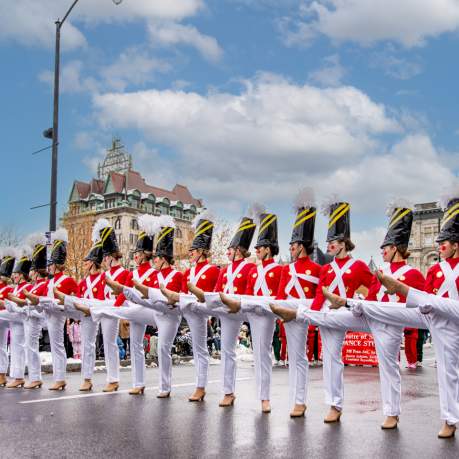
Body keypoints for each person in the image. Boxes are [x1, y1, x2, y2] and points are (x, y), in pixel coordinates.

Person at [271, 198, 373, 422]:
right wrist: (314, 317)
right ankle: (334, 405)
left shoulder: (358, 266)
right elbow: (319, 296)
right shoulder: (326, 268)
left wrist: (359, 304)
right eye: (328, 243)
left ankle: (339, 404)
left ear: (344, 243)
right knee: (330, 358)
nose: (328, 247)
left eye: (333, 242)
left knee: (336, 358)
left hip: (346, 314)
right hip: (326, 316)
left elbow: (373, 286)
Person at [74, 214, 158, 395]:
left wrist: (112, 308)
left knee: (110, 342)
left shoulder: (124, 274)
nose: (103, 260)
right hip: (104, 309)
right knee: (101, 343)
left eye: (105, 256)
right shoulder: (105, 275)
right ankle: (90, 378)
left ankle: (113, 379)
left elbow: (122, 296)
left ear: (112, 256)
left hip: (115, 310)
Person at [179, 216, 257, 407]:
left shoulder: (239, 268)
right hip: (219, 309)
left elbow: (245, 290)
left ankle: (239, 393)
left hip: (240, 307)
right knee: (224, 349)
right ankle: (221, 390)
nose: (189, 253)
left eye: (192, 251)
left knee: (237, 350)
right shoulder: (219, 271)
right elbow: (217, 290)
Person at [219, 209, 282, 414]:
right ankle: (228, 392)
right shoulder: (237, 269)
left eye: (260, 247)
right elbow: (245, 291)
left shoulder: (255, 268)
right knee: (226, 349)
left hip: (260, 312)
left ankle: (264, 398)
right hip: (236, 308)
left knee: (261, 353)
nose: (256, 250)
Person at [158, 211, 220, 402]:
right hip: (187, 309)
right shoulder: (187, 272)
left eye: (194, 249)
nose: (190, 252)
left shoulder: (213, 270)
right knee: (196, 348)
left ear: (202, 251)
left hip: (201, 312)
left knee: (200, 349)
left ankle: (200, 387)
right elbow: (184, 292)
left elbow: (213, 294)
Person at [130, 215, 184, 398]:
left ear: (165, 258)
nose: (155, 261)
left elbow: (180, 298)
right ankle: (138, 383)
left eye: (158, 257)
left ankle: (165, 386)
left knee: (162, 348)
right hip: (153, 311)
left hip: (170, 315)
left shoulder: (177, 275)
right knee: (134, 339)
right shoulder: (154, 276)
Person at [25, 228, 79, 391]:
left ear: (56, 265)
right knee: (55, 345)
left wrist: (65, 305)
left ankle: (60, 377)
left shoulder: (68, 280)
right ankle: (57, 377)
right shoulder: (48, 282)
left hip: (58, 315)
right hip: (47, 313)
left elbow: (76, 297)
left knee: (57, 345)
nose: (48, 267)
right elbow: (38, 297)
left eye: (50, 264)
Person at [7, 234, 50, 389]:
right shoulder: (32, 286)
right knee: (19, 347)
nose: (14, 276)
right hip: (24, 319)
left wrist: (18, 305)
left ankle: (35, 377)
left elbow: (40, 306)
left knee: (31, 347)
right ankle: (18, 376)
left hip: (34, 319)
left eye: (32, 269)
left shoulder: (34, 286)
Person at [2, 247, 33, 388]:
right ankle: (16, 376)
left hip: (20, 317)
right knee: (14, 347)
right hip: (13, 318)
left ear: (22, 275)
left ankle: (18, 376)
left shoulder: (26, 287)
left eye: (16, 273)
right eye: (13, 273)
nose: (14, 276)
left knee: (18, 347)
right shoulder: (15, 288)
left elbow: (21, 304)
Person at [0, 247, 15, 387]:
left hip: (6, 317)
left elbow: (9, 304)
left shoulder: (10, 288)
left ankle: (2, 375)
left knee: (3, 346)